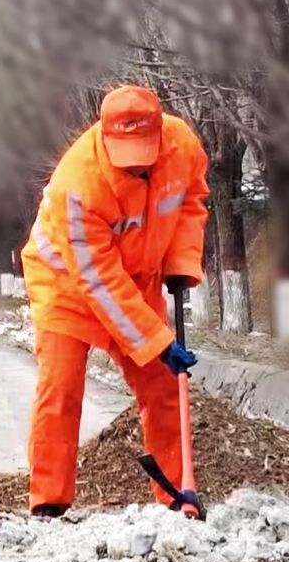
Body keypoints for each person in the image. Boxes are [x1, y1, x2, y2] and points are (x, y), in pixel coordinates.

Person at [19, 84, 209, 517]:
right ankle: (48, 503)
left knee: (163, 387)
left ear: (161, 135)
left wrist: (181, 262)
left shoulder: (183, 147)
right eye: (128, 161)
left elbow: (192, 200)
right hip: (66, 284)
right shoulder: (78, 186)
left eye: (146, 157)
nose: (138, 170)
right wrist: (157, 341)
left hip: (134, 283)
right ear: (105, 138)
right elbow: (97, 281)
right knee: (61, 386)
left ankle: (177, 497)